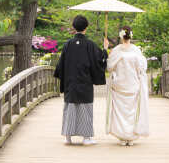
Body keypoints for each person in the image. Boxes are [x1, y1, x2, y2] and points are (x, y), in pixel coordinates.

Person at [53, 15, 108, 145]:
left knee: (70, 108)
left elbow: (61, 65)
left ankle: (67, 137)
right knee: (85, 109)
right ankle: (86, 138)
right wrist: (105, 49)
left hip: (71, 83)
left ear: (74, 27)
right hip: (85, 83)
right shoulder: (90, 45)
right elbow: (99, 62)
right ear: (86, 28)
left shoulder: (67, 44)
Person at [104, 25, 149, 146]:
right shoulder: (136, 50)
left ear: (121, 36)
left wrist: (106, 50)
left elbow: (109, 67)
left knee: (120, 112)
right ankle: (130, 136)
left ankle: (122, 137)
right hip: (133, 84)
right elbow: (142, 68)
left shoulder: (116, 50)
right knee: (132, 111)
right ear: (131, 36)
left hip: (119, 85)